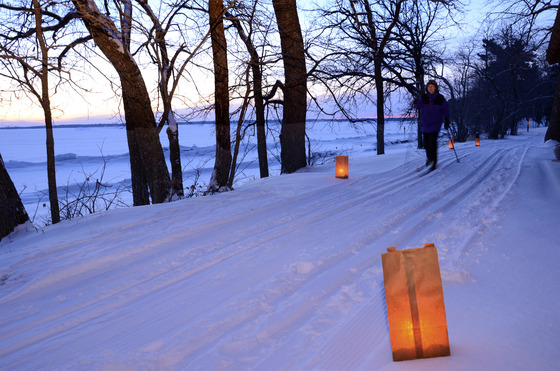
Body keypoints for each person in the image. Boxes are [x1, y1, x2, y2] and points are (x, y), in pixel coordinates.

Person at [415, 80, 450, 171]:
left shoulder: (440, 98)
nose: (430, 88)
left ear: (435, 88)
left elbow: (445, 109)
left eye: (432, 86)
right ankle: (429, 158)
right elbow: (417, 106)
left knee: (432, 142)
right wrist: (415, 102)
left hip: (435, 123)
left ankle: (434, 161)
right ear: (427, 88)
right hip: (425, 123)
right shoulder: (424, 97)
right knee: (426, 143)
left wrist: (447, 120)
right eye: (429, 86)